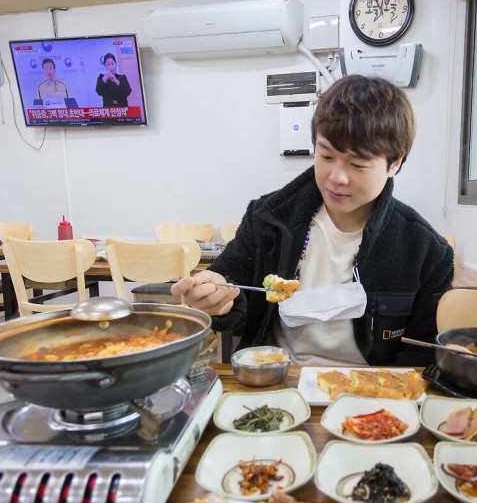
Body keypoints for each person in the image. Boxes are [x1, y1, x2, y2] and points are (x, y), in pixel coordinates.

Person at [171, 75, 454, 366]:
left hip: (371, 393)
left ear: (394, 163)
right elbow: (232, 290)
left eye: (358, 164)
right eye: (326, 155)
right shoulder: (267, 217)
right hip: (277, 380)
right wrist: (215, 295)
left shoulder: (427, 252)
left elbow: (421, 355)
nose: (337, 177)